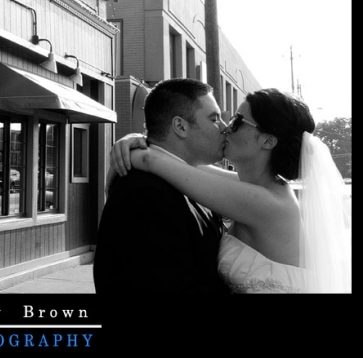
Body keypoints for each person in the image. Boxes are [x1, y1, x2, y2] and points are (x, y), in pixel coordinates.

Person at [111, 88, 351, 294]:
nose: (226, 128)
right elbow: (181, 164)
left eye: (237, 121)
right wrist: (139, 139)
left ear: (267, 141)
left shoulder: (269, 203)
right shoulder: (253, 188)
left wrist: (130, 152)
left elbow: (153, 161)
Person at [93, 78, 231, 294]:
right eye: (214, 119)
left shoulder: (190, 180)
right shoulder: (144, 195)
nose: (225, 128)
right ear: (180, 126)